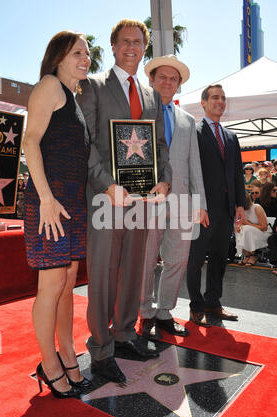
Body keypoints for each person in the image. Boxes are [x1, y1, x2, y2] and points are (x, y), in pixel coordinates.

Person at [77, 19, 172, 384]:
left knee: (134, 269)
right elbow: (84, 142)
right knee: (102, 274)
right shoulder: (94, 87)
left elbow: (160, 145)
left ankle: (124, 334)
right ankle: (100, 349)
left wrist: (163, 179)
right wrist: (106, 185)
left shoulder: (151, 95)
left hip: (142, 200)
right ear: (114, 47)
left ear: (144, 48)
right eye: (125, 42)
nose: (132, 47)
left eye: (138, 42)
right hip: (106, 200)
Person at [23, 31, 93, 398]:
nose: (86, 57)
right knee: (50, 287)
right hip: (49, 203)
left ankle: (67, 355)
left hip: (71, 204)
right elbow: (29, 141)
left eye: (87, 52)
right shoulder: (49, 86)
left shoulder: (73, 97)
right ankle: (48, 365)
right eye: (78, 52)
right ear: (59, 56)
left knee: (67, 285)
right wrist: (46, 200)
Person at [139, 55, 208, 338]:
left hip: (182, 202)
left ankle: (165, 311)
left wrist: (200, 204)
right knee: (144, 260)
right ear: (152, 80)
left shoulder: (188, 120)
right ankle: (144, 312)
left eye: (173, 78)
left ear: (178, 85)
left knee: (178, 259)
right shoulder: (138, 113)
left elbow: (195, 165)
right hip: (147, 199)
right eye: (162, 77)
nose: (168, 82)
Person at [186, 84, 246, 325]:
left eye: (223, 98)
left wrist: (240, 203)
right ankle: (195, 304)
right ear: (203, 102)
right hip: (201, 209)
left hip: (226, 209)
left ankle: (213, 303)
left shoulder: (231, 137)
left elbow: (236, 173)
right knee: (196, 258)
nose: (220, 101)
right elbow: (190, 171)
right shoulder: (193, 132)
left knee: (220, 257)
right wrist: (195, 204)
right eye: (214, 97)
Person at [235, 192, 270, 266]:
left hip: (263, 234)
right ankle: (247, 255)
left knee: (247, 229)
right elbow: (239, 223)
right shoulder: (240, 210)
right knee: (240, 229)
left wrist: (248, 224)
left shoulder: (256, 207)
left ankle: (253, 255)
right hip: (249, 233)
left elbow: (264, 227)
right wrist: (239, 226)